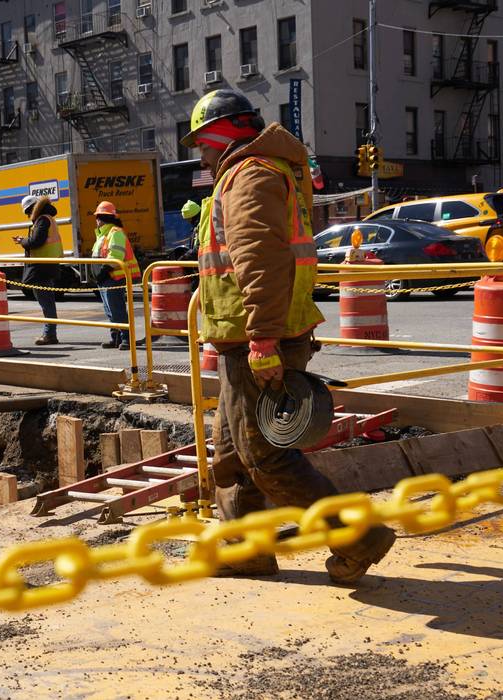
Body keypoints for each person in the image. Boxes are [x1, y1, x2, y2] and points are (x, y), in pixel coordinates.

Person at [183, 89, 395, 584]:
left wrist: (262, 341)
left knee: (267, 458)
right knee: (231, 457)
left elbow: (260, 261)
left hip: (260, 338)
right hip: (245, 338)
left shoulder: (250, 175)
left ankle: (360, 538)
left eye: (202, 144)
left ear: (221, 136)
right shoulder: (253, 172)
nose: (201, 155)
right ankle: (244, 550)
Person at [91, 201, 139, 350]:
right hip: (105, 278)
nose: (96, 221)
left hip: (113, 277)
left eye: (97, 218)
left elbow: (116, 256)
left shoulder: (115, 233)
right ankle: (116, 337)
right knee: (109, 310)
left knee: (116, 309)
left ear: (101, 218)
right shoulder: (103, 234)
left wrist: (103, 272)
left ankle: (126, 338)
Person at [14, 194, 61, 345]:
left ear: (33, 209)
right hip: (47, 265)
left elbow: (36, 242)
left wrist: (23, 241)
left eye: (28, 212)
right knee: (47, 301)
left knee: (46, 302)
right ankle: (50, 333)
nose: (28, 216)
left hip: (42, 266)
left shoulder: (42, 220)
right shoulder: (47, 219)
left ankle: (49, 334)